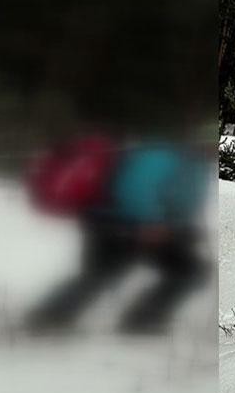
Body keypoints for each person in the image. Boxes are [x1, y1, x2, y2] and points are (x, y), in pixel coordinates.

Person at [25, 137, 211, 335]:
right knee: (105, 273)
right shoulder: (164, 156)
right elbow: (135, 188)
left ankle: (52, 317)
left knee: (186, 271)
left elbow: (181, 199)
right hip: (118, 223)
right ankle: (50, 318)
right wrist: (150, 222)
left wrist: (183, 228)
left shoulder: (194, 163)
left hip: (139, 226)